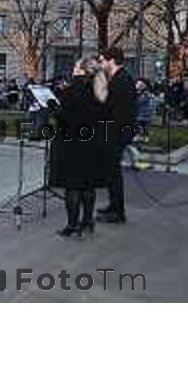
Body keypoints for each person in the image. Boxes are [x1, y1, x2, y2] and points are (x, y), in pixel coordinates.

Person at [50, 57, 109, 237]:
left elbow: (63, 118)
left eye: (75, 65)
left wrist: (53, 107)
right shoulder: (100, 90)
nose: (73, 67)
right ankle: (87, 221)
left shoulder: (71, 90)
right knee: (88, 185)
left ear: (82, 70)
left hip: (71, 144)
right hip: (92, 143)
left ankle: (72, 226)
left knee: (72, 186)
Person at [96, 47, 137, 224]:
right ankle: (114, 205)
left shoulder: (121, 80)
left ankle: (118, 212)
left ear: (111, 60)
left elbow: (113, 110)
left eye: (102, 60)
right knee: (112, 172)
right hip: (116, 131)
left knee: (113, 172)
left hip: (116, 132)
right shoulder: (120, 78)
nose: (101, 63)